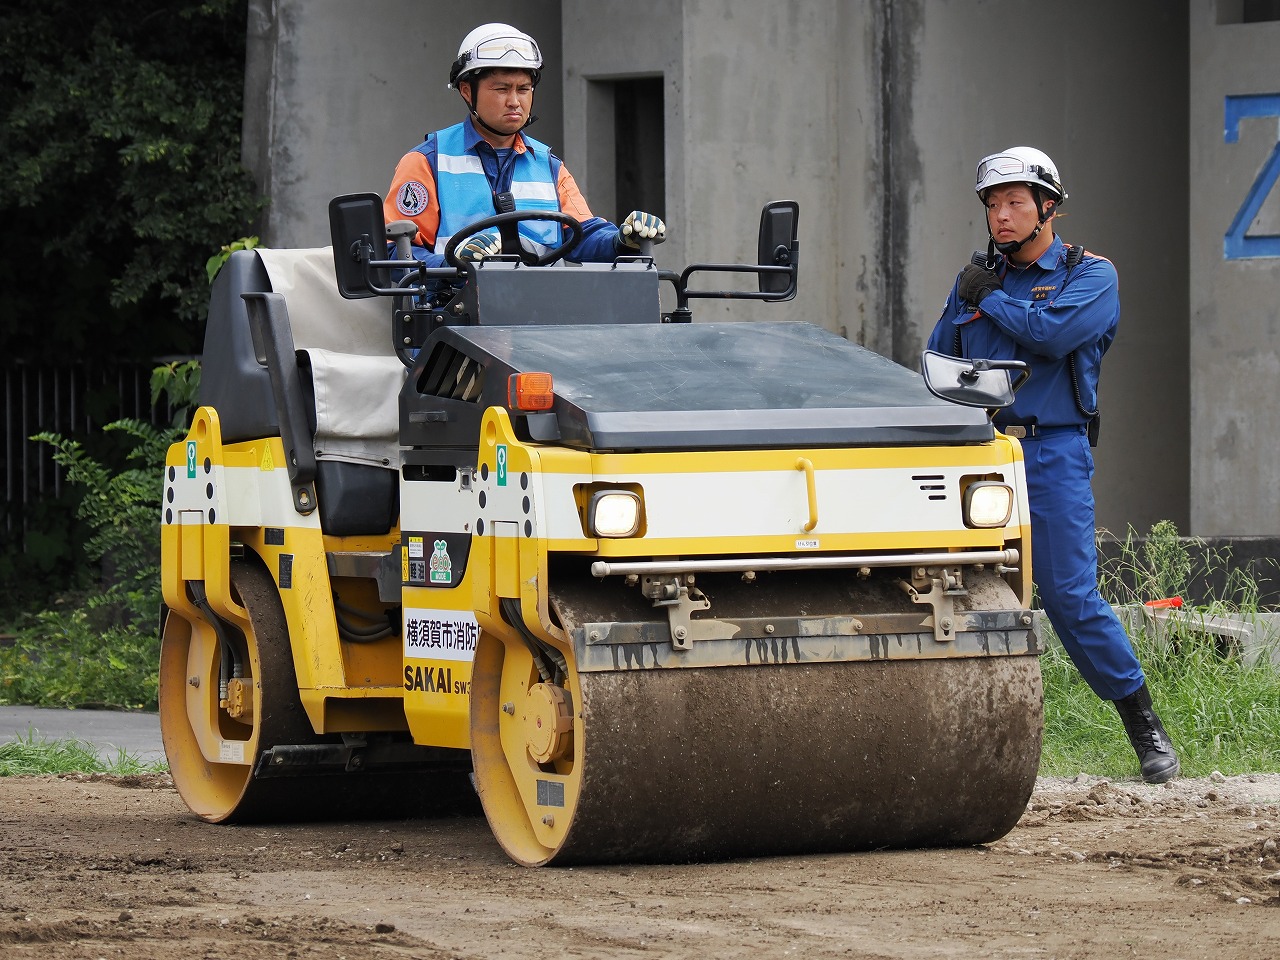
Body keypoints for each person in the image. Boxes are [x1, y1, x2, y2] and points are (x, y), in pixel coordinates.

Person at [926, 146, 1180, 784]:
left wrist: (993, 302)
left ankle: (1145, 727)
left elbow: (1053, 335)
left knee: (1069, 595)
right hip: (977, 451)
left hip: (1051, 450)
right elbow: (938, 359)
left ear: (1049, 207)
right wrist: (975, 301)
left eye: (1014, 202)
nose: (1002, 217)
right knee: (938, 585)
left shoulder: (1091, 275)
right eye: (992, 205)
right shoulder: (977, 280)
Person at [383, 22, 664, 269]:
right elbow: (395, 251)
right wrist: (453, 265)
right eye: (502, 89)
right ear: (467, 91)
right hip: (454, 317)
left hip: (541, 320)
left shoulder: (549, 165)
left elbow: (583, 234)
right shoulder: (426, 162)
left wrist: (622, 240)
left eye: (524, 89)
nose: (515, 101)